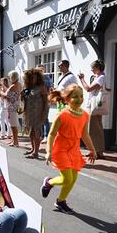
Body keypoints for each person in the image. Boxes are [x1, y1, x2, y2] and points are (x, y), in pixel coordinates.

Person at [41, 84, 96, 214]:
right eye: (75, 96)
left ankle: (60, 201)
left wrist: (92, 149)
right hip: (61, 149)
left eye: (81, 96)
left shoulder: (85, 115)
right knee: (67, 179)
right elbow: (52, 134)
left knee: (74, 179)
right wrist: (48, 151)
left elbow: (85, 134)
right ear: (67, 99)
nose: (79, 99)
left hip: (74, 150)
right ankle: (49, 182)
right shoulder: (62, 115)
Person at [79, 60, 107, 160]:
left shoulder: (101, 77)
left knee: (95, 129)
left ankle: (99, 152)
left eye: (93, 68)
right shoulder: (98, 77)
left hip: (95, 105)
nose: (91, 70)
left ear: (98, 68)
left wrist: (82, 79)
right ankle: (96, 151)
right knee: (94, 128)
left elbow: (88, 89)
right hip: (93, 105)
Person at [22, 69, 48, 158]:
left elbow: (46, 101)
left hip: (38, 113)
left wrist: (44, 113)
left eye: (35, 77)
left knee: (37, 132)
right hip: (29, 113)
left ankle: (36, 152)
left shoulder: (41, 87)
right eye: (31, 77)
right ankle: (33, 149)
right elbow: (24, 100)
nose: (33, 79)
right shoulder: (28, 87)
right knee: (31, 133)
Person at [0, 71, 21, 146]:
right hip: (14, 106)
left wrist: (1, 91)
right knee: (13, 125)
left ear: (12, 77)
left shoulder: (13, 86)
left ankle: (15, 142)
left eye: (9, 77)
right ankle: (14, 140)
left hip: (12, 108)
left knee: (13, 125)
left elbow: (6, 95)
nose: (9, 79)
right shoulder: (18, 84)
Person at [37, 65, 54, 144]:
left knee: (45, 119)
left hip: (45, 100)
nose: (39, 72)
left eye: (41, 70)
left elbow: (51, 88)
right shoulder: (36, 78)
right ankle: (41, 135)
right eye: (38, 70)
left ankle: (46, 136)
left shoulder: (46, 78)